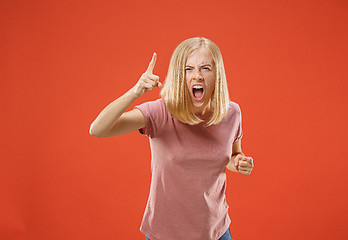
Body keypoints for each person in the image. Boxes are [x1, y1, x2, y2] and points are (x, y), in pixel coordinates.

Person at [89, 37, 254, 240]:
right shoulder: (160, 112)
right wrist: (135, 92)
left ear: (217, 73)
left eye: (205, 68)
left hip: (216, 232)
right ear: (178, 74)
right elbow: (98, 129)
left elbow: (231, 154)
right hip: (165, 234)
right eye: (188, 69)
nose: (197, 76)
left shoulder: (231, 113)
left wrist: (238, 161)